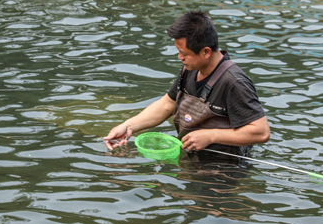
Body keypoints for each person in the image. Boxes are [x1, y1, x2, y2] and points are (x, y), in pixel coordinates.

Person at [104, 10, 270, 157]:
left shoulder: (234, 82)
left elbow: (261, 132)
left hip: (224, 169)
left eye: (183, 53)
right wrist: (127, 127)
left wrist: (211, 136)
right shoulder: (190, 69)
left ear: (206, 52)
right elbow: (167, 105)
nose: (179, 57)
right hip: (193, 157)